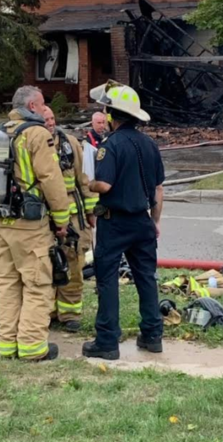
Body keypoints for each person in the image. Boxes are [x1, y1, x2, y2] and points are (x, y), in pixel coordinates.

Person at [0, 86, 70, 362]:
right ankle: (32, 347)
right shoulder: (37, 134)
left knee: (6, 284)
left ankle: (7, 345)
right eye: (42, 105)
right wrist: (62, 219)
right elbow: (50, 179)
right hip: (29, 225)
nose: (45, 110)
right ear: (32, 106)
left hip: (0, 222)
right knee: (37, 283)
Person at [82, 83, 165, 361]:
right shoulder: (150, 144)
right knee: (146, 278)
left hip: (114, 223)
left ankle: (107, 341)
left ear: (112, 114)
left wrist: (89, 182)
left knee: (107, 280)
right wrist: (154, 222)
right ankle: (153, 336)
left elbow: (104, 185)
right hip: (142, 222)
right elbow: (158, 190)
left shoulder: (110, 146)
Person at [43, 106, 98, 333]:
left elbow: (84, 181)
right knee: (45, 266)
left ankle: (70, 313)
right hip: (43, 220)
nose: (50, 123)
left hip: (74, 220)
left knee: (73, 265)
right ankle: (48, 311)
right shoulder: (32, 145)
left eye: (52, 118)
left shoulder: (70, 144)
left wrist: (91, 212)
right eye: (45, 119)